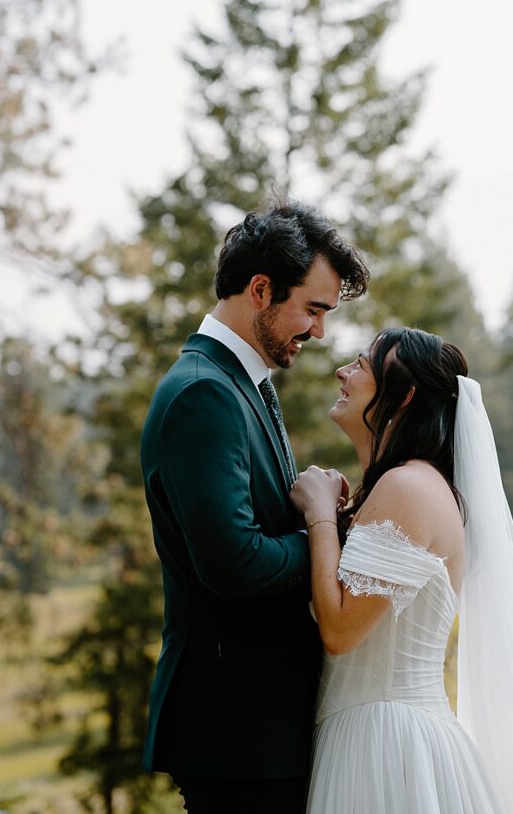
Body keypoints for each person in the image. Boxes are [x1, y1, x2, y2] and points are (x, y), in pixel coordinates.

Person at [290, 326, 513, 814]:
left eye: (361, 364)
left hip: (388, 748)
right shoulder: (400, 488)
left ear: (404, 395)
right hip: (363, 732)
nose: (342, 372)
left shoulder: (410, 486)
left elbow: (342, 629)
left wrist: (320, 515)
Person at [140, 202, 369, 814]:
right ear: (260, 289)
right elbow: (233, 562)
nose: (319, 331)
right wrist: (331, 534)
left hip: (259, 727)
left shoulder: (241, 382)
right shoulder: (203, 394)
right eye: (313, 309)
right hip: (237, 727)